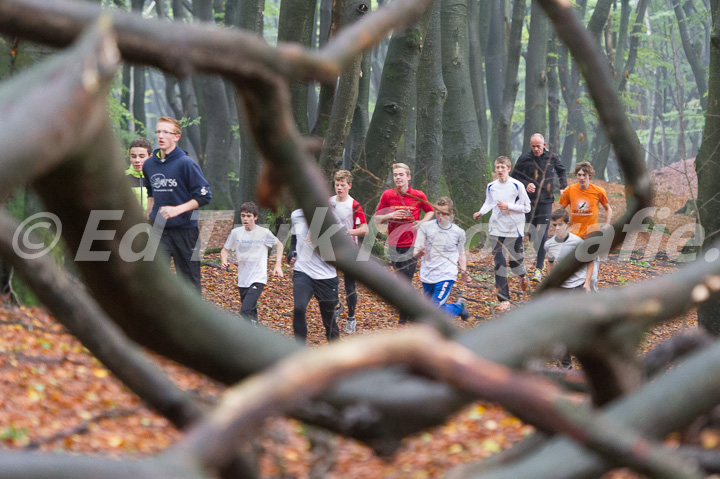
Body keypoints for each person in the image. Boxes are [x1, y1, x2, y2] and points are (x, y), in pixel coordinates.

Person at [144, 116, 212, 292]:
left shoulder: (186, 164)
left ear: (176, 136)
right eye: (158, 131)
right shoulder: (149, 164)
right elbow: (151, 191)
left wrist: (177, 209)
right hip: (160, 230)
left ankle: (194, 320)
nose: (161, 135)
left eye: (166, 132)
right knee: (153, 278)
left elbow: (205, 196)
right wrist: (148, 213)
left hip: (186, 231)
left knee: (190, 283)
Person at [375, 163, 434, 325]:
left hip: (413, 243)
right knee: (401, 279)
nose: (398, 178)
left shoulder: (418, 195)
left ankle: (403, 319)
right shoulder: (388, 195)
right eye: (395, 175)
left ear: (408, 177)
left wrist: (422, 222)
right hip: (394, 244)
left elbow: (430, 210)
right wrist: (391, 214)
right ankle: (417, 308)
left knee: (405, 280)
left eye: (401, 174)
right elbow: (377, 218)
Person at [474, 156, 532, 312]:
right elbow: (489, 202)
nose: (499, 170)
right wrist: (481, 212)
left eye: (502, 167)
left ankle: (522, 275)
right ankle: (504, 299)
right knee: (499, 263)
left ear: (508, 168)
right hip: (496, 228)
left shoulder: (517, 185)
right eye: (497, 167)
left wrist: (509, 206)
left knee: (514, 263)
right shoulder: (491, 186)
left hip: (514, 228)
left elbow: (527, 207)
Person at [511, 133, 567, 282]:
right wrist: (525, 184)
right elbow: (514, 176)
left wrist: (563, 187)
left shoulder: (552, 158)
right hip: (527, 204)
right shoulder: (524, 158)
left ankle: (538, 270)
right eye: (533, 146)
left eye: (538, 146)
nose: (536, 149)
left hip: (545, 202)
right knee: (530, 234)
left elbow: (562, 170)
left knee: (542, 234)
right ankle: (522, 265)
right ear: (530, 145)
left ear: (544, 145)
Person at [544, 209, 596, 368]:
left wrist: (587, 283)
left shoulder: (578, 242)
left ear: (568, 224)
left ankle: (591, 360)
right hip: (563, 287)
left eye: (560, 225)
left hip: (579, 285)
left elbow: (590, 261)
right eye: (554, 225)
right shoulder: (549, 244)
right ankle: (566, 364)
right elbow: (550, 263)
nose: (557, 228)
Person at [221, 202, 284, 325]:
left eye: (249, 216)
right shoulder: (236, 232)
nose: (245, 219)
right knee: (250, 312)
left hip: (258, 278)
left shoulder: (264, 233)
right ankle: (256, 333)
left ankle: (254, 333)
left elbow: (279, 245)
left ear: (255, 217)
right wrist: (224, 262)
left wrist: (278, 265)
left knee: (245, 310)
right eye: (243, 215)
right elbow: (224, 250)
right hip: (243, 279)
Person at [414, 197, 471, 320]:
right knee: (430, 311)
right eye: (438, 213)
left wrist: (464, 270)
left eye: (444, 214)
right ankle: (459, 308)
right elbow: (415, 253)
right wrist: (419, 253)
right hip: (427, 274)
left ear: (451, 213)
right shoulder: (425, 227)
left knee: (435, 309)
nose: (440, 217)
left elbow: (461, 253)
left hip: (446, 274)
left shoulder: (458, 232)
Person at [290, 208, 340, 343]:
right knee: (299, 308)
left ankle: (337, 355)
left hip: (326, 276)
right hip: (303, 271)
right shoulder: (296, 214)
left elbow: (339, 243)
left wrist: (319, 235)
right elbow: (295, 236)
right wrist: (291, 251)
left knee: (329, 320)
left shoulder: (331, 215)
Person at [329, 170, 368, 334]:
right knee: (329, 283)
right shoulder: (328, 202)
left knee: (349, 286)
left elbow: (364, 230)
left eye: (342, 185)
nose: (339, 188)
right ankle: (336, 306)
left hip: (349, 249)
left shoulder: (354, 205)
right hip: (330, 249)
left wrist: (347, 232)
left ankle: (351, 318)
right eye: (337, 184)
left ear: (349, 186)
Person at [558, 161, 612, 239]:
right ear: (576, 175)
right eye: (579, 175)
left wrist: (607, 224)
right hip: (574, 234)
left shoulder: (599, 191)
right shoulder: (569, 190)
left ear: (589, 175)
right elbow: (561, 210)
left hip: (592, 234)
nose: (582, 178)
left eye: (584, 175)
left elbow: (608, 209)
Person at [126, 138, 152, 211]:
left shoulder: (157, 177)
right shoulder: (122, 178)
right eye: (133, 156)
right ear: (129, 157)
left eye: (142, 156)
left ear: (150, 156)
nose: (137, 160)